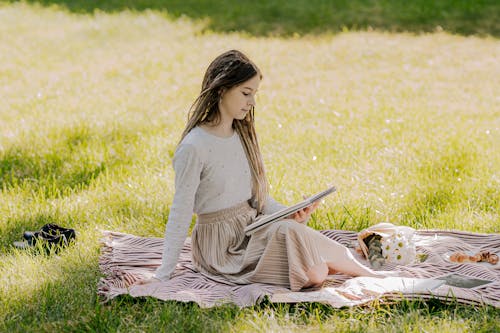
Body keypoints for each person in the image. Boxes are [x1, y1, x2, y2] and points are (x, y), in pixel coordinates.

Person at [149, 50, 389, 291]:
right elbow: (180, 212)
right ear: (221, 89)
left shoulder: (241, 135)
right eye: (245, 93)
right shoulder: (194, 146)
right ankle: (366, 270)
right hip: (221, 248)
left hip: (253, 229)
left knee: (293, 234)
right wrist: (163, 273)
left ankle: (371, 274)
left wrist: (292, 213)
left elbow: (256, 199)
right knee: (315, 272)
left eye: (254, 94)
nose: (252, 102)